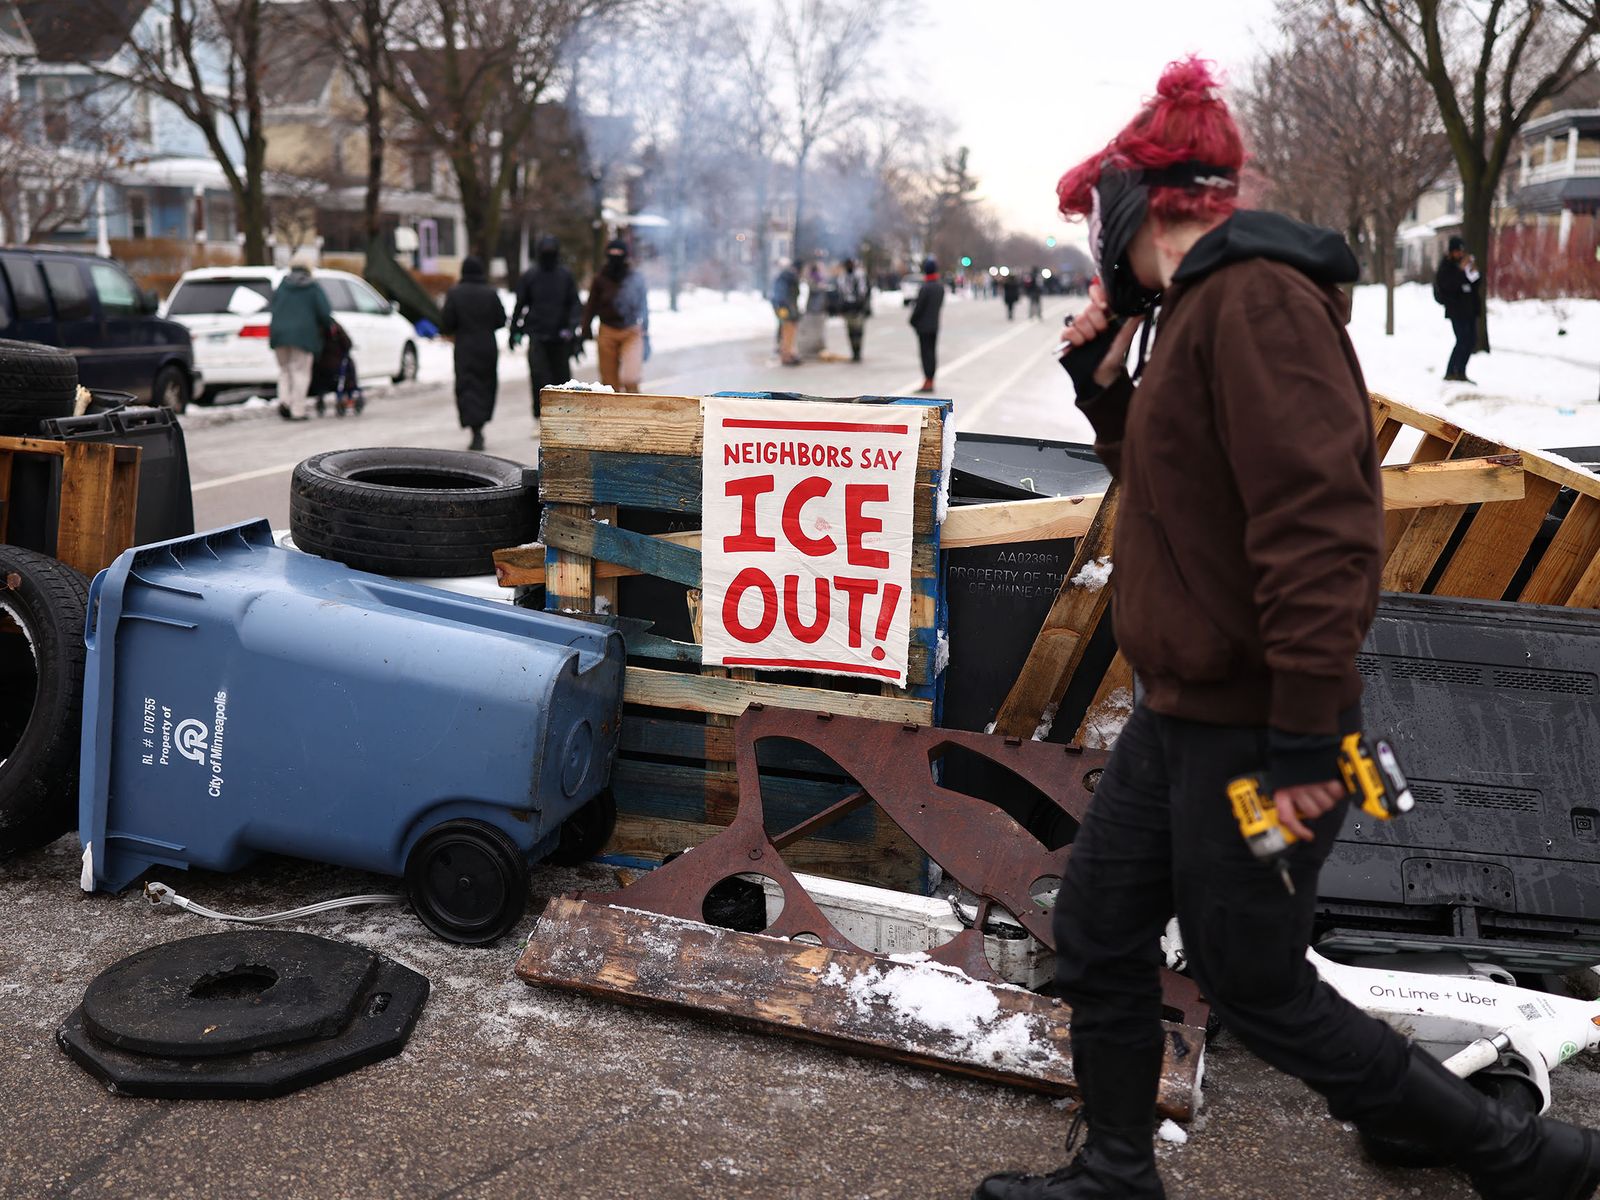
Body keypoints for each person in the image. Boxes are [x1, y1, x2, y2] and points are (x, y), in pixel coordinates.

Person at [972, 57, 1600, 1200]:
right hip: (1182, 716)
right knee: (1102, 934)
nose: (1086, 250)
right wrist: (1100, 381)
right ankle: (1116, 1168)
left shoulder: (1254, 304)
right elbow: (1179, 502)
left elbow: (1319, 531)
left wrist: (1309, 741)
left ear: (1134, 205)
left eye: (1088, 223)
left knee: (1252, 978)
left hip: (1259, 729)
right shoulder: (1193, 317)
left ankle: (1523, 1158)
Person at [510, 234, 583, 420]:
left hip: (561, 336)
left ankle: (564, 416)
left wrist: (572, 326)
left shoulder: (565, 275)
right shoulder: (531, 276)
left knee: (562, 379)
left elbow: (574, 303)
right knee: (539, 379)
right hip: (538, 336)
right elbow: (520, 304)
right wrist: (514, 330)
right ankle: (540, 417)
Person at [439, 255, 505, 451]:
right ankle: (481, 424)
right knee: (486, 385)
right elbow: (501, 320)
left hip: (465, 347)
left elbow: (447, 324)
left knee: (467, 386)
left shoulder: (455, 293)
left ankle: (475, 430)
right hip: (487, 346)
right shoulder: (490, 293)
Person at [267, 255, 332, 421]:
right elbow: (324, 312)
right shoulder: (312, 287)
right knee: (300, 372)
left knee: (284, 370)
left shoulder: (282, 285)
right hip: (303, 336)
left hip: (279, 334)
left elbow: (273, 306)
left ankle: (284, 401)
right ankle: (297, 410)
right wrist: (327, 327)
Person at [582, 238, 649, 392]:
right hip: (607, 331)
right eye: (612, 253)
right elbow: (591, 305)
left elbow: (644, 305)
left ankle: (635, 413)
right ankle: (613, 415)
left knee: (631, 378)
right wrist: (584, 329)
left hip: (631, 331)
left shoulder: (635, 278)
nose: (616, 256)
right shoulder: (600, 279)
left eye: (619, 253)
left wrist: (645, 332)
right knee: (609, 385)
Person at [1435, 234, 1482, 383]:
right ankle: (1451, 371)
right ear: (1451, 252)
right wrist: (1460, 271)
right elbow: (1448, 285)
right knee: (1461, 339)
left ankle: (1461, 371)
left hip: (1469, 309)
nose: (1460, 254)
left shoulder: (1464, 265)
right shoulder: (1446, 266)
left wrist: (1473, 271)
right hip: (1456, 310)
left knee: (1471, 340)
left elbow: (1474, 284)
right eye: (1457, 251)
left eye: (1462, 251)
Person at [909, 256, 943, 394]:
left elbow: (918, 308)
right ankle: (931, 379)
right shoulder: (939, 287)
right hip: (934, 325)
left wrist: (912, 321)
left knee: (925, 354)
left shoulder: (925, 288)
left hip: (923, 327)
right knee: (932, 353)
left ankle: (928, 381)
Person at [838, 258, 871, 362]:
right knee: (851, 332)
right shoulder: (842, 277)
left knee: (858, 332)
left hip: (858, 309)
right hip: (848, 308)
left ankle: (858, 352)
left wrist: (864, 306)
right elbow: (841, 293)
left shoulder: (860, 276)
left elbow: (865, 292)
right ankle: (854, 351)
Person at [770, 260, 801, 365]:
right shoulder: (788, 277)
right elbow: (782, 296)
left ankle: (788, 354)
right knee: (787, 330)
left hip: (786, 308)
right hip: (786, 309)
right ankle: (786, 356)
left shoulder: (785, 277)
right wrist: (787, 310)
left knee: (786, 329)